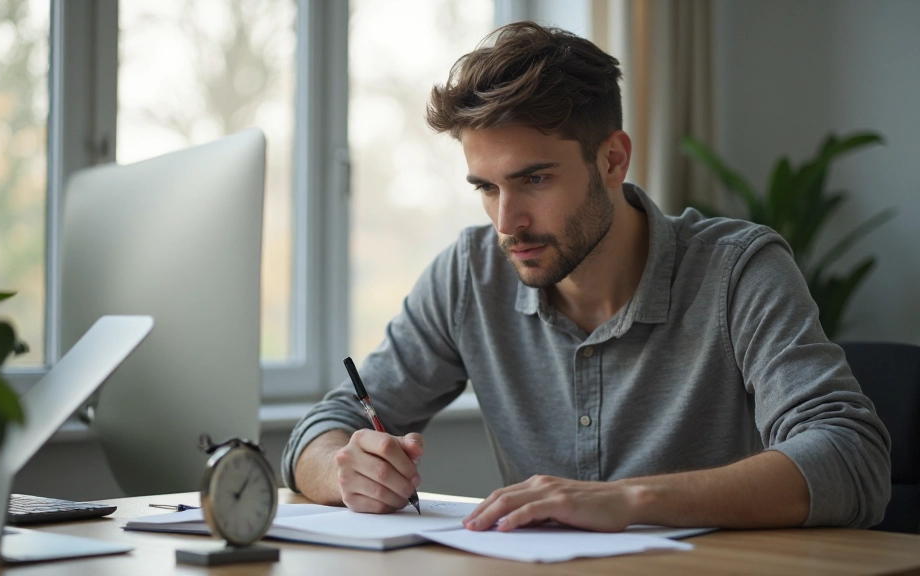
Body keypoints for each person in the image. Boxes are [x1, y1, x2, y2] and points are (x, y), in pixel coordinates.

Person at [281, 21, 891, 531]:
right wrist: (344, 467)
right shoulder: (470, 275)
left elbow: (850, 455)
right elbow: (320, 428)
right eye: (487, 188)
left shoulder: (737, 271)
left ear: (613, 159)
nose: (507, 221)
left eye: (534, 180)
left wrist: (630, 501)